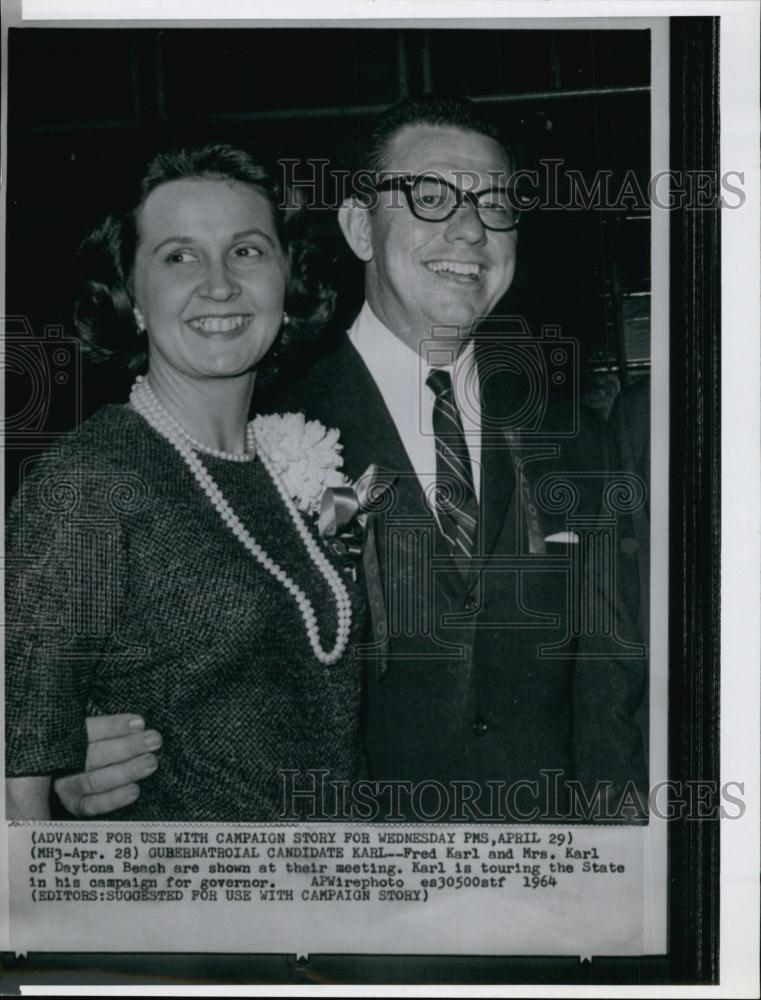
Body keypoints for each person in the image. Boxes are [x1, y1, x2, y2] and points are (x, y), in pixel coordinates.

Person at [55, 98, 647, 821]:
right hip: (349, 881)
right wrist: (76, 746)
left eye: (495, 203)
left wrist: (617, 851)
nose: (469, 228)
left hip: (545, 874)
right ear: (360, 226)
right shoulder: (261, 427)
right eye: (429, 197)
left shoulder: (569, 424)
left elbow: (610, 667)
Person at [5, 141, 366, 821]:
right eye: (178, 256)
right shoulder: (90, 478)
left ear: (287, 282)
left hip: (330, 906)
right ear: (130, 297)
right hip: (182, 915)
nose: (220, 283)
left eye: (247, 250)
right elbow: (17, 776)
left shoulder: (288, 462)